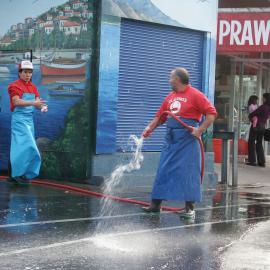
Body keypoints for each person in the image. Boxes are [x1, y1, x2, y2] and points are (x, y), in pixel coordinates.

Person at [142, 67, 217, 218]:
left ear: (177, 79)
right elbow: (160, 116)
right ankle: (155, 205)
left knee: (188, 172)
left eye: (171, 77)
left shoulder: (196, 95)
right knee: (163, 170)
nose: (169, 80)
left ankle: (189, 208)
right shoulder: (170, 97)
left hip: (188, 139)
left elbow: (211, 114)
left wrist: (200, 130)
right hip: (171, 139)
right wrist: (149, 128)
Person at [6, 60, 46, 185]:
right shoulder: (14, 86)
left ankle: (20, 175)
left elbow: (38, 102)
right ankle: (16, 174)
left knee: (25, 148)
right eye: (25, 72)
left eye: (30, 72)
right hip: (19, 121)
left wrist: (42, 107)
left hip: (29, 121)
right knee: (23, 147)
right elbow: (16, 102)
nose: (28, 75)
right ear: (19, 73)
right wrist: (34, 103)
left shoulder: (33, 87)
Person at [247, 93, 270, 167]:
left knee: (251, 142)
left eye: (263, 98)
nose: (262, 99)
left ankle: (252, 161)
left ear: (266, 99)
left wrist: (250, 116)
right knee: (259, 143)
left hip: (256, 125)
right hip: (263, 126)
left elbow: (253, 113)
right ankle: (261, 161)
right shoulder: (268, 108)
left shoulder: (263, 107)